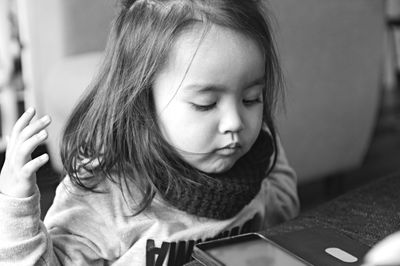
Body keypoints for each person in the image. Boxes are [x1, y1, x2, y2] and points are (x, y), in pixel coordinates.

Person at [0, 0, 300, 265]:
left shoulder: (252, 164)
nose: (235, 121)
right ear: (142, 103)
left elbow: (283, 211)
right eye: (206, 104)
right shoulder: (105, 192)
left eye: (251, 98)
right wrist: (17, 206)